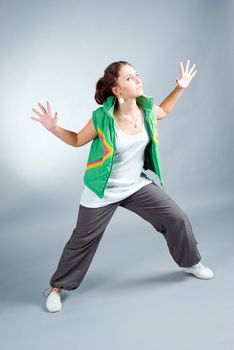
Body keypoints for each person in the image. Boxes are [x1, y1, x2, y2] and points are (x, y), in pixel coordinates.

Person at [31, 60, 214, 313]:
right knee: (81, 240)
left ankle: (190, 262)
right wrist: (53, 128)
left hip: (135, 186)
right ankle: (57, 288)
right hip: (102, 190)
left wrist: (180, 87)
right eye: (129, 78)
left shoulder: (146, 109)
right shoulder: (102, 118)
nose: (138, 79)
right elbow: (75, 140)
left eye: (137, 75)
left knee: (176, 218)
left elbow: (165, 110)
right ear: (116, 89)